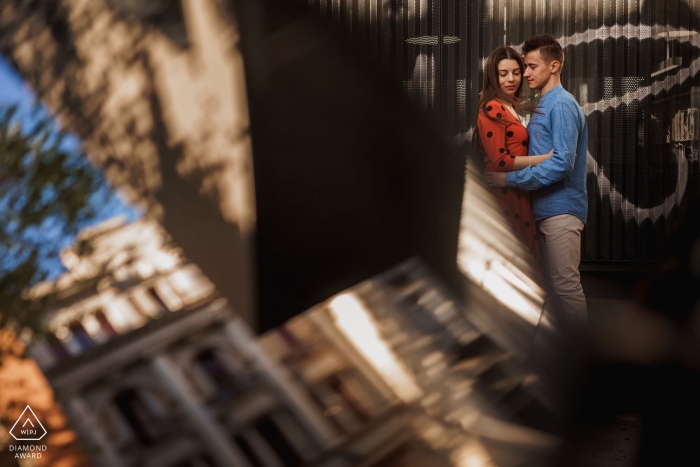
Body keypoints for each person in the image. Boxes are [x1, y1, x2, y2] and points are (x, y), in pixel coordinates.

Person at [484, 34, 588, 318]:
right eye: (524, 67)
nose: (524, 74)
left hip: (561, 210)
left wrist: (509, 180)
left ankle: (583, 361)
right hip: (541, 209)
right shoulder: (543, 104)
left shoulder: (561, 105)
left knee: (565, 288)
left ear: (554, 66)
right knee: (552, 291)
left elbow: (562, 164)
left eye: (531, 67)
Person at [475, 46, 553, 272]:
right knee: (511, 264)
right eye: (503, 74)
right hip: (504, 193)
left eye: (516, 72)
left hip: (516, 188)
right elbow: (500, 160)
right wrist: (545, 158)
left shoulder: (510, 106)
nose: (511, 79)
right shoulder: (491, 107)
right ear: (493, 76)